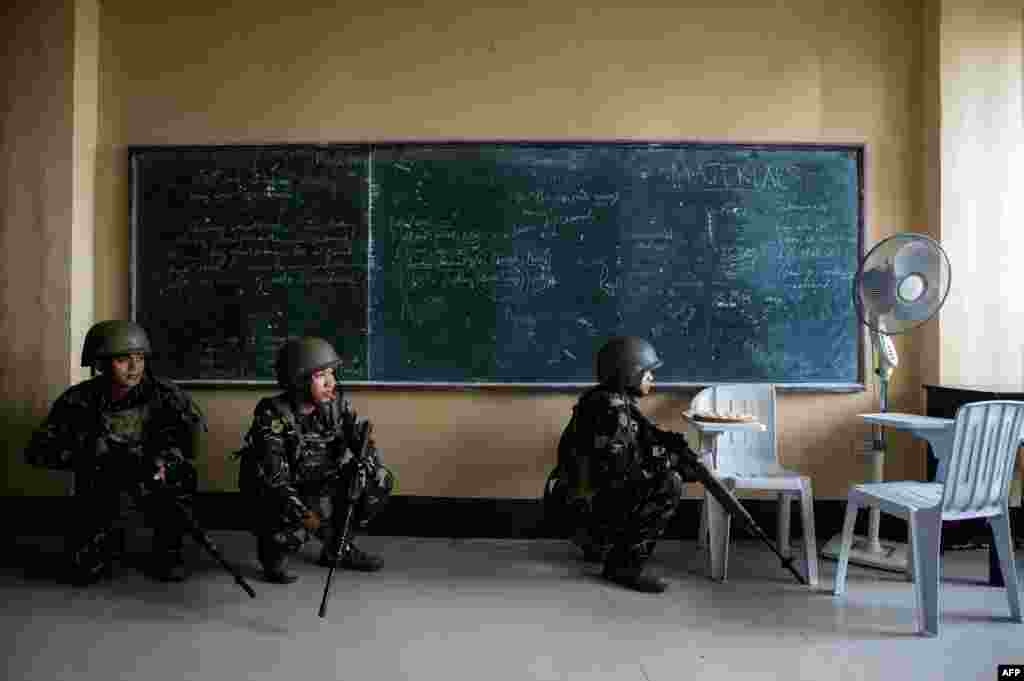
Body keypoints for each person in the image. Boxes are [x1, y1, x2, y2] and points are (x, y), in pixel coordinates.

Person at [24, 320, 207, 585]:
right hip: (102, 482)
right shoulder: (79, 400)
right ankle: (99, 548)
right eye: (123, 360)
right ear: (100, 363)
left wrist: (166, 458)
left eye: (140, 358)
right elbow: (38, 452)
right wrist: (90, 451)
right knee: (83, 569)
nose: (134, 368)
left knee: (180, 478)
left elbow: (190, 444)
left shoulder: (166, 395)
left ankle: (169, 551)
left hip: (152, 477)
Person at [558, 336, 708, 593]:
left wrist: (673, 451)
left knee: (665, 474)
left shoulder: (608, 400)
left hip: (582, 501)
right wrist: (675, 465)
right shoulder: (611, 411)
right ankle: (623, 566)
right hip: (584, 509)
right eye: (647, 372)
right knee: (669, 482)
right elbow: (621, 470)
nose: (652, 378)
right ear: (628, 373)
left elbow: (637, 447)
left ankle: (601, 545)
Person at [237, 337, 393, 584]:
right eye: (320, 375)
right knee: (285, 524)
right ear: (298, 381)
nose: (331, 382)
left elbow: (361, 443)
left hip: (321, 485)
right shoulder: (272, 414)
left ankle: (338, 550)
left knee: (375, 478)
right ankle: (274, 551)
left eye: (331, 373)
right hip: (283, 496)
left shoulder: (336, 405)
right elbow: (275, 482)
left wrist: (367, 458)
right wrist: (317, 525)